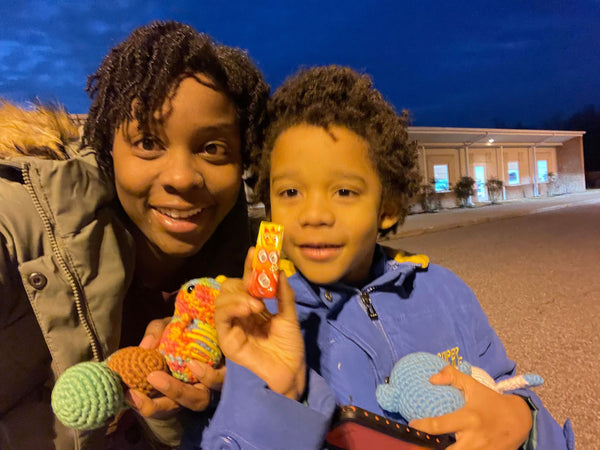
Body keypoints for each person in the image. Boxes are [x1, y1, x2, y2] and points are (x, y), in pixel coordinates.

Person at [213, 65, 575, 449]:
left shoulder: (446, 292)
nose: (313, 215)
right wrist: (277, 395)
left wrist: (523, 419)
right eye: (290, 193)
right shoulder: (264, 324)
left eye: (344, 192)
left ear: (387, 206)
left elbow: (505, 385)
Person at [0, 20, 271, 449]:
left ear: (243, 161)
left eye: (213, 148)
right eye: (147, 142)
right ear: (108, 149)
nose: (182, 177)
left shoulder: (255, 275)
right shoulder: (28, 223)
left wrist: (207, 407)